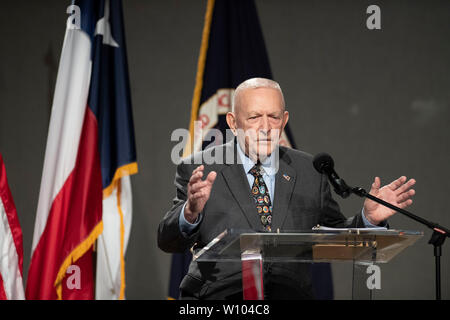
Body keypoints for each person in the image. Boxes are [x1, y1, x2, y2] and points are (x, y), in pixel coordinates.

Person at [157, 78, 416, 299]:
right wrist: (190, 213)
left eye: (274, 116)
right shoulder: (199, 167)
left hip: (291, 293)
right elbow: (168, 241)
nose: (266, 127)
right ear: (233, 123)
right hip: (220, 296)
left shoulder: (308, 169)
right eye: (255, 117)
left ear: (285, 120)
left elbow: (335, 234)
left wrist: (368, 219)